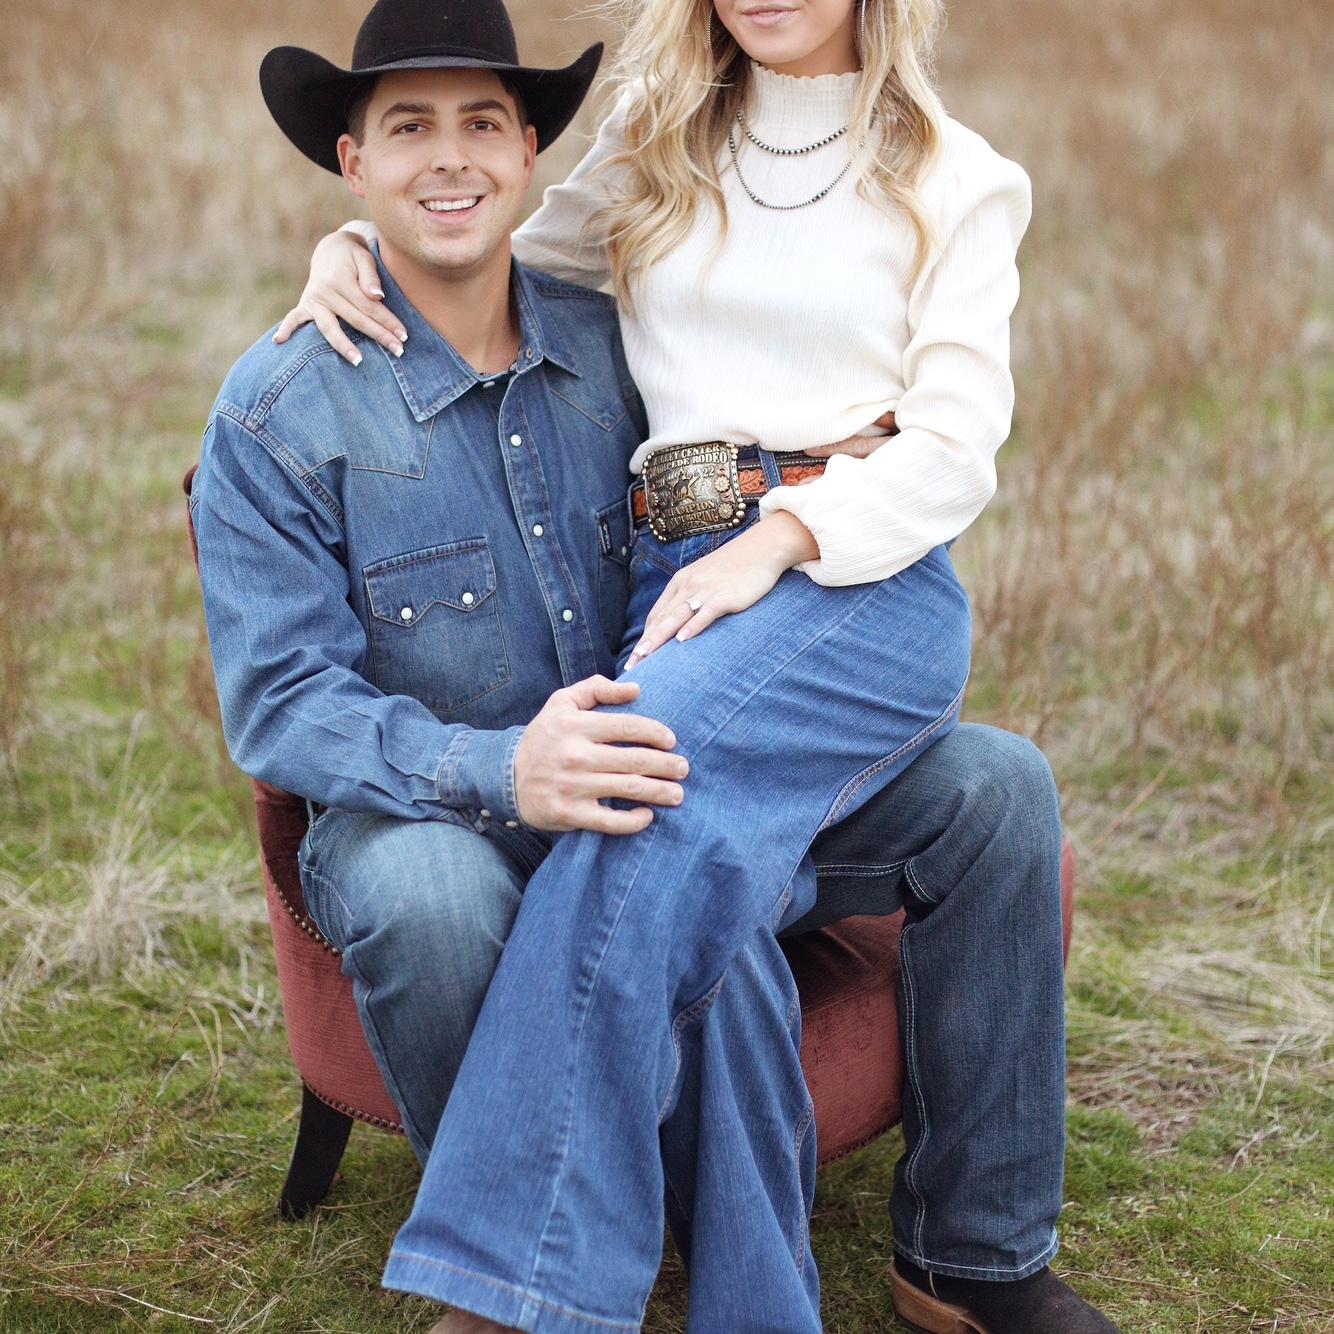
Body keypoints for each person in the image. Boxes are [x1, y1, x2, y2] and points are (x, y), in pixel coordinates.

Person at [237, 2, 1119, 1332]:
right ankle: (878, 1278)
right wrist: (354, 244)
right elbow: (481, 239)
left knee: (637, 794)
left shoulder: (956, 178)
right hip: (678, 576)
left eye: (476, 122)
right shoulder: (659, 148)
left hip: (845, 569)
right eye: (402, 130)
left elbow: (953, 445)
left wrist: (781, 540)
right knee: (745, 830)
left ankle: (510, 1285)